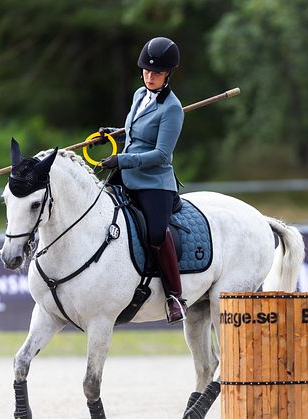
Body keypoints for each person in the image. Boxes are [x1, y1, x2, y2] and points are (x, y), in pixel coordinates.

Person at [99, 36, 186, 323]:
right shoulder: (139, 95)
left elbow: (161, 154)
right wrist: (113, 133)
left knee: (156, 234)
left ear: (168, 73)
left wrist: (122, 160)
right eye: (146, 71)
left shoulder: (172, 108)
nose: (150, 76)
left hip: (154, 182)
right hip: (126, 173)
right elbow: (135, 132)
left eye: (157, 73)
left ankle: (175, 295)